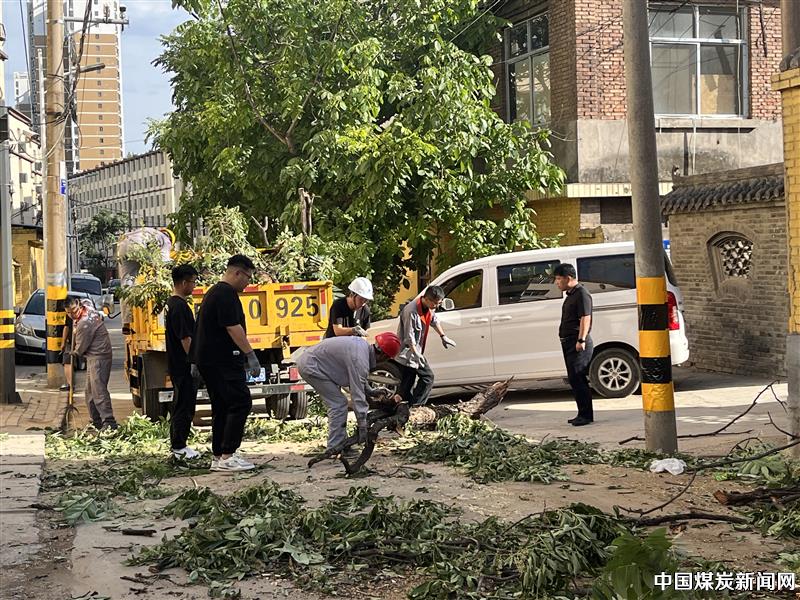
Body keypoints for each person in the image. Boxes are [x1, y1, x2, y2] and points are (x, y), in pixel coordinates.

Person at [193, 255, 261, 472]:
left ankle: (219, 455)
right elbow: (232, 327)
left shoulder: (215, 292)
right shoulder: (225, 294)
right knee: (240, 402)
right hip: (222, 360)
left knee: (222, 406)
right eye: (248, 277)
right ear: (237, 273)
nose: (248, 283)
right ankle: (228, 455)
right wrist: (250, 354)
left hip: (211, 360)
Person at [297, 332, 402, 453]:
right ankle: (335, 448)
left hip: (316, 364)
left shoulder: (362, 349)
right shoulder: (360, 360)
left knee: (339, 404)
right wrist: (362, 424)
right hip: (312, 367)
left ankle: (341, 444)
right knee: (338, 404)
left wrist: (371, 391)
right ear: (383, 355)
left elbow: (358, 379)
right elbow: (357, 396)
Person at [395, 285, 456, 406]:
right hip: (408, 354)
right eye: (435, 303)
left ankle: (408, 408)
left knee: (406, 388)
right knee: (428, 378)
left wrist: (443, 336)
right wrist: (416, 354)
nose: (436, 306)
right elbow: (409, 337)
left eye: (439, 303)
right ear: (427, 299)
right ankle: (416, 407)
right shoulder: (411, 311)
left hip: (416, 352)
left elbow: (434, 321)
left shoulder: (428, 308)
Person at [165, 264, 200, 459]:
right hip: (183, 365)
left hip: (177, 363)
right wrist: (194, 361)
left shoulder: (171, 303)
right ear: (184, 282)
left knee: (182, 403)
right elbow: (185, 338)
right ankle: (179, 446)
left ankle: (179, 444)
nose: (194, 286)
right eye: (193, 282)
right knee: (185, 405)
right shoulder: (180, 307)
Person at [66, 297, 117, 430]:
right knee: (89, 391)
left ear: (79, 306)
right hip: (93, 356)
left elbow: (80, 348)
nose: (72, 315)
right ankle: (96, 420)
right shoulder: (87, 309)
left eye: (74, 311)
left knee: (98, 390)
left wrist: (73, 353)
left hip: (99, 356)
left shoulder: (84, 323)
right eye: (69, 313)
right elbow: (87, 302)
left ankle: (109, 421)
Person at [554, 263, 594, 426]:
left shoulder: (582, 294)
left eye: (558, 279)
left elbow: (585, 317)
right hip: (568, 342)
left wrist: (581, 339)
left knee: (578, 378)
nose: (556, 282)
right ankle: (581, 412)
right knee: (573, 378)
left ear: (568, 278)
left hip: (577, 343)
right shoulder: (571, 295)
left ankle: (586, 415)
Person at [59, 314, 73, 392]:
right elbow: (66, 327)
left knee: (67, 362)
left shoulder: (71, 313)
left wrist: (63, 343)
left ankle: (70, 384)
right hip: (75, 340)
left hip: (75, 340)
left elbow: (66, 327)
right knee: (67, 361)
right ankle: (70, 384)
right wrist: (63, 342)